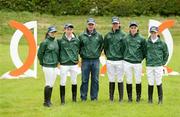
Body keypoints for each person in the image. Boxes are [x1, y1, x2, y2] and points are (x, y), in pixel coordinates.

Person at [79, 18, 103, 101]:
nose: (90, 26)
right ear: (87, 25)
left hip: (95, 60)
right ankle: (83, 97)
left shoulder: (99, 35)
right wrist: (82, 54)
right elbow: (79, 47)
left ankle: (94, 97)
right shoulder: (81, 35)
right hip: (85, 60)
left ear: (94, 25)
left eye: (92, 24)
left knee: (95, 80)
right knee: (84, 79)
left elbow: (101, 46)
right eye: (89, 24)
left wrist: (97, 54)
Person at [104, 17, 126, 102]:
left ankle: (121, 98)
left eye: (116, 23)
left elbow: (125, 48)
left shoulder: (123, 35)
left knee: (120, 79)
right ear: (112, 24)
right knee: (111, 79)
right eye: (114, 23)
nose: (115, 25)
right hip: (110, 60)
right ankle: (111, 98)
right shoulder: (108, 35)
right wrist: (109, 55)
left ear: (119, 24)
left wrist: (122, 57)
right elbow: (105, 47)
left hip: (120, 60)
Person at [123, 21, 146, 102]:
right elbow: (123, 49)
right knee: (128, 80)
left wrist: (140, 58)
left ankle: (138, 98)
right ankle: (129, 98)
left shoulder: (142, 39)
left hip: (137, 63)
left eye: (135, 28)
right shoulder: (125, 38)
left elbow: (144, 51)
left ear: (137, 28)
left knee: (138, 80)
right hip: (127, 62)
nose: (133, 29)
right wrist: (125, 57)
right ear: (129, 28)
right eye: (132, 28)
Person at [57, 24, 80, 105]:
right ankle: (62, 100)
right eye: (67, 29)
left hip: (74, 63)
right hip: (64, 64)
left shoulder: (77, 40)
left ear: (72, 30)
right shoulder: (60, 40)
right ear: (64, 30)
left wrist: (77, 59)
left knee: (74, 81)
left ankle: (74, 99)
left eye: (70, 29)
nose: (69, 31)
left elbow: (79, 50)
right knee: (63, 81)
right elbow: (58, 51)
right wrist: (58, 62)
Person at [146, 26, 169, 104]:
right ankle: (150, 100)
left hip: (158, 65)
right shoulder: (146, 42)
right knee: (150, 82)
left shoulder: (162, 43)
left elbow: (166, 54)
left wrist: (163, 63)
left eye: (154, 32)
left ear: (157, 33)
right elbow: (143, 52)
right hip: (149, 65)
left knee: (158, 82)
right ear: (150, 33)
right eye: (152, 32)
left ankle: (160, 100)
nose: (153, 34)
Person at [37, 26, 59, 107]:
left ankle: (49, 101)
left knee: (52, 83)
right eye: (51, 32)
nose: (53, 33)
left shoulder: (56, 42)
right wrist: (43, 63)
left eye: (54, 32)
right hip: (47, 65)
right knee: (48, 83)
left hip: (54, 65)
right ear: (48, 33)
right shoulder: (45, 42)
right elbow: (40, 54)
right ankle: (46, 102)